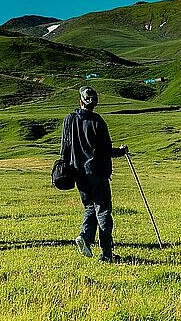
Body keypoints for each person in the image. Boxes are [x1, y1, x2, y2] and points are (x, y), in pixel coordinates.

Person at [61, 86, 127, 263]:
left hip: (77, 172)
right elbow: (105, 150)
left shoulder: (69, 119)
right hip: (97, 172)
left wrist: (66, 168)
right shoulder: (98, 122)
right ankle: (106, 254)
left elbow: (64, 148)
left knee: (90, 207)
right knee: (103, 210)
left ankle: (85, 236)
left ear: (80, 100)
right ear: (94, 103)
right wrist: (120, 152)